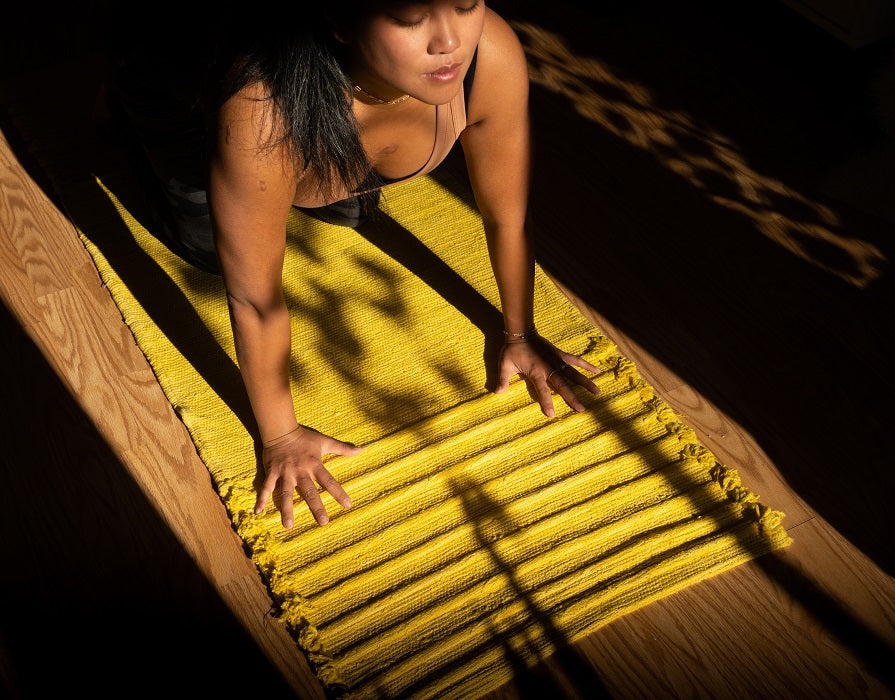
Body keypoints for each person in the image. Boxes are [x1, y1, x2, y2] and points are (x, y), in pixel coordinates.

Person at [106, 0, 601, 529]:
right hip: (184, 100)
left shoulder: (489, 54)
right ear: (339, 19)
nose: (449, 41)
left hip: (312, 131)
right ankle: (119, 103)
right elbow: (254, 297)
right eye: (411, 21)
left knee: (343, 212)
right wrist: (281, 436)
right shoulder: (260, 105)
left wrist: (520, 333)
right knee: (208, 253)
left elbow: (508, 216)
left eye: (464, 5)